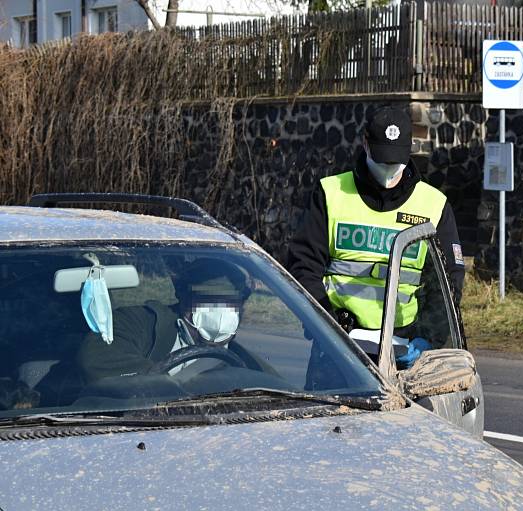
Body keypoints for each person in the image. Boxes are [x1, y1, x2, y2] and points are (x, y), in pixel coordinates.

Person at [288, 105, 465, 370]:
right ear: (365, 144)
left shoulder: (434, 205)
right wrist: (327, 323)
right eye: (383, 160)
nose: (388, 169)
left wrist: (428, 335)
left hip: (405, 344)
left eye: (395, 161)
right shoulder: (331, 194)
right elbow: (303, 267)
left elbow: (449, 279)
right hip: (338, 343)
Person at [78, 258, 256, 382]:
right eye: (207, 300)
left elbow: (272, 384)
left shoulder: (245, 359)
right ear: (184, 300)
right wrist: (167, 387)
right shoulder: (139, 322)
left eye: (230, 303)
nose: (221, 312)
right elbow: (98, 359)